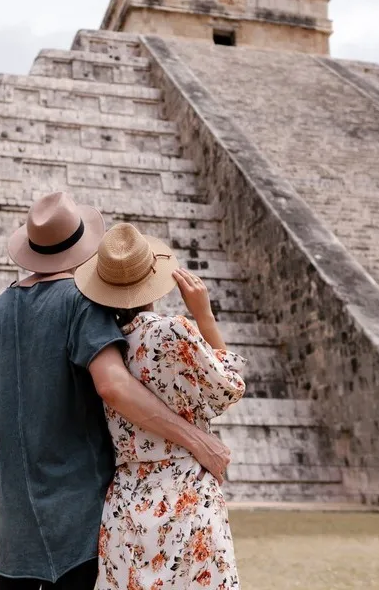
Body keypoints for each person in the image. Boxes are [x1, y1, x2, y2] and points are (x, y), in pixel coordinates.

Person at [0, 192, 232, 589]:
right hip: (81, 523)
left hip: (15, 532)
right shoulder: (81, 301)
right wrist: (196, 439)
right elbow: (112, 384)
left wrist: (20, 486)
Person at [74, 222, 246, 589]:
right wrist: (205, 316)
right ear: (154, 277)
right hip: (185, 488)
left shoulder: (105, 347)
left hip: (127, 496)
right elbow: (229, 387)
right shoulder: (173, 333)